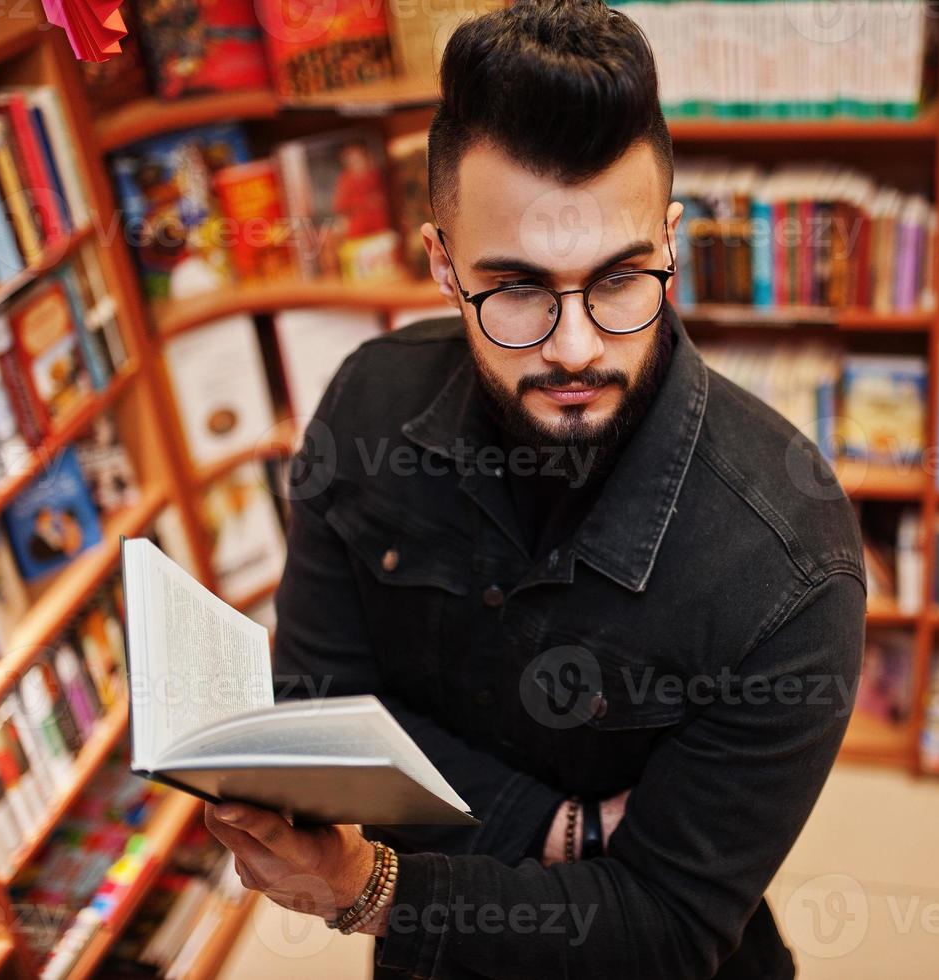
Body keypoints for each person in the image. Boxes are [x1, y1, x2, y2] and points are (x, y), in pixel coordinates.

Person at [202, 2, 866, 976]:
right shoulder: (368, 402)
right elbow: (320, 703)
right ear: (440, 262)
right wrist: (564, 830)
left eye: (620, 278)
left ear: (672, 247)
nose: (575, 346)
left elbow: (662, 925)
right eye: (515, 287)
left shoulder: (791, 561)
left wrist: (370, 885)